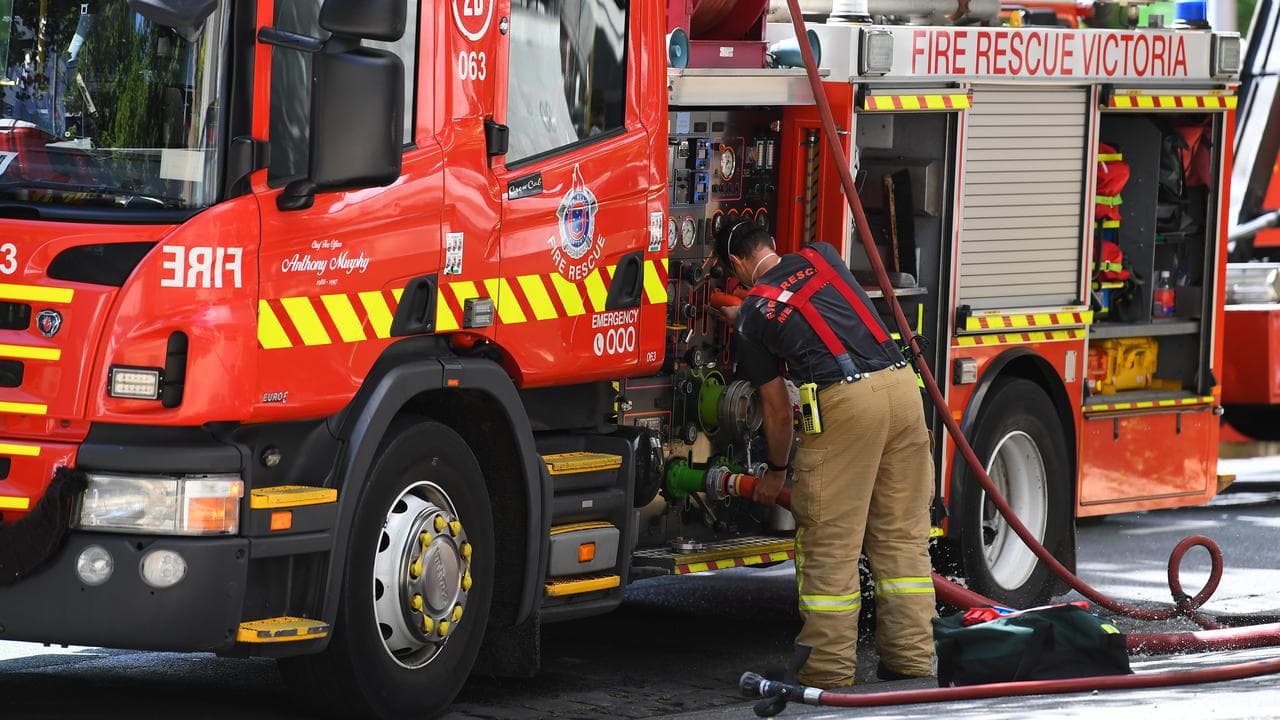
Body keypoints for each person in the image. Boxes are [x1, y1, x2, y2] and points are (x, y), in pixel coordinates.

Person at [713, 221, 936, 689]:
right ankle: (911, 661)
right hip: (903, 390)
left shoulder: (755, 312)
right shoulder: (823, 255)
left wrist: (776, 471)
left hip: (850, 405)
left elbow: (775, 408)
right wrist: (749, 314)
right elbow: (810, 305)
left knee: (831, 545)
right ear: (771, 244)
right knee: (901, 538)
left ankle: (829, 672)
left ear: (736, 265)